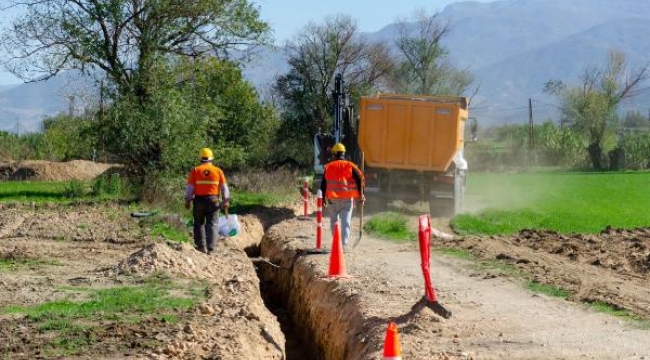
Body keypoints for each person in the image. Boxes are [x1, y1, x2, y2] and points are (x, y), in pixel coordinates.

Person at [185, 148, 230, 254]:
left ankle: (201, 246)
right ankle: (211, 248)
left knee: (198, 223)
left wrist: (187, 200)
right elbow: (224, 188)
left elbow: (190, 188)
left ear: (200, 158)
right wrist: (226, 200)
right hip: (213, 200)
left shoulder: (195, 170)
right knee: (213, 224)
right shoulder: (218, 171)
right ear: (211, 159)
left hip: (199, 201)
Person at [320, 142, 365, 252]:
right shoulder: (351, 166)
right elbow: (360, 180)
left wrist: (322, 200)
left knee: (334, 222)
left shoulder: (328, 167)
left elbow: (323, 184)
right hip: (347, 199)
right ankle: (343, 246)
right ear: (344, 153)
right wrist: (361, 195)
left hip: (332, 200)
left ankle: (336, 244)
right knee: (345, 222)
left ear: (334, 154)